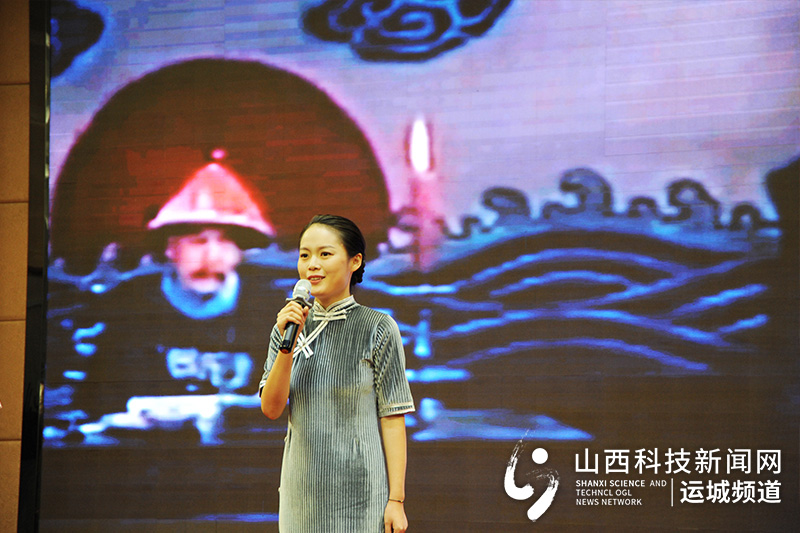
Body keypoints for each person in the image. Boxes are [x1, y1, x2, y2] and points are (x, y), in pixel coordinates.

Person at [259, 214, 414, 532]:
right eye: (305, 255)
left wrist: (396, 499)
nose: (312, 265)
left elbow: (392, 416)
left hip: (362, 494)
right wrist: (287, 347)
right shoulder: (286, 327)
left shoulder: (378, 327)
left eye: (325, 254)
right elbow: (271, 408)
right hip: (301, 495)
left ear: (354, 261)